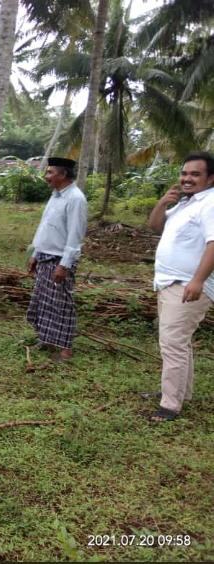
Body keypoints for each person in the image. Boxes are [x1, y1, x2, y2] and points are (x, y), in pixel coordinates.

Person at [147, 151, 214, 422]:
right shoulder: (187, 203)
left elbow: (213, 243)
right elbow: (155, 226)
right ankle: (179, 393)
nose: (187, 178)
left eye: (195, 174)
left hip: (187, 285)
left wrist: (198, 280)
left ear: (211, 178)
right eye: (184, 173)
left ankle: (169, 405)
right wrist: (163, 202)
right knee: (179, 343)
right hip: (169, 283)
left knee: (172, 343)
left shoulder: (210, 203)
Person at [26, 157, 88, 362]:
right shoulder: (55, 196)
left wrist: (64, 265)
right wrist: (35, 254)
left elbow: (75, 235)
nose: (46, 176)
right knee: (44, 301)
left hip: (59, 260)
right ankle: (47, 339)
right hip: (45, 256)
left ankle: (65, 349)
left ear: (63, 175)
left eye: (50, 172)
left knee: (61, 304)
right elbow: (44, 227)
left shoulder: (75, 199)